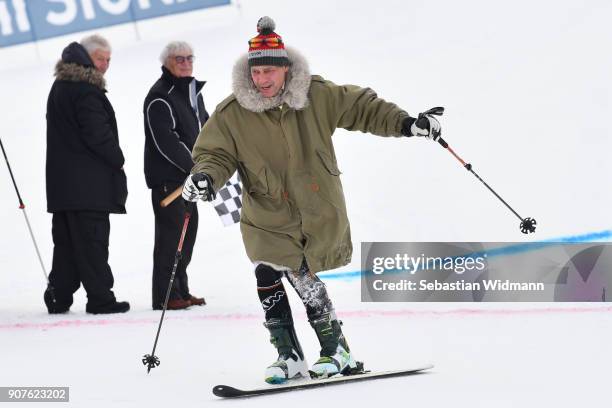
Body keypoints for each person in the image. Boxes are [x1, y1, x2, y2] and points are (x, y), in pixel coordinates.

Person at [182, 17, 442, 383]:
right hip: (266, 211)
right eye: (256, 74)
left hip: (315, 205)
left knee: (300, 271)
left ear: (285, 69)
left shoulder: (316, 95)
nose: (263, 80)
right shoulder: (231, 114)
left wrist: (405, 123)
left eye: (270, 71)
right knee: (268, 270)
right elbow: (214, 155)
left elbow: (362, 107)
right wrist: (205, 178)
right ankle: (289, 355)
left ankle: (336, 350)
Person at [44, 34, 129, 315]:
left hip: (62, 186)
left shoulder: (61, 86)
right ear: (85, 57)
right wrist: (118, 159)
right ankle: (101, 299)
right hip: (88, 186)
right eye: (100, 59)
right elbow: (97, 135)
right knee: (93, 243)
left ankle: (59, 296)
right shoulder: (85, 89)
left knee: (66, 245)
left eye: (108, 60)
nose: (105, 65)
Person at [143, 41, 209, 310]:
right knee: (171, 240)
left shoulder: (192, 94)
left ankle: (181, 290)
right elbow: (166, 141)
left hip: (189, 180)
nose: (185, 63)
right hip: (169, 181)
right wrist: (195, 165)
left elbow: (207, 127)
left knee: (187, 237)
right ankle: (166, 296)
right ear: (166, 63)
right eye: (178, 59)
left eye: (189, 58)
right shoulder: (160, 95)